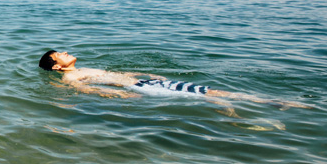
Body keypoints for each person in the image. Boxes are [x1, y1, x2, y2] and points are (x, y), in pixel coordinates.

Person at [39, 49, 307, 108]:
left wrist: (147, 74)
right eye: (59, 54)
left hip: (147, 82)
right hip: (143, 90)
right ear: (56, 68)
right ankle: (266, 103)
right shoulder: (69, 80)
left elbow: (115, 75)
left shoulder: (85, 69)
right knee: (203, 97)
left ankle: (270, 101)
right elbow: (88, 92)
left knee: (209, 91)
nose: (65, 52)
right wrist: (120, 95)